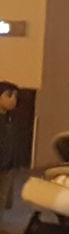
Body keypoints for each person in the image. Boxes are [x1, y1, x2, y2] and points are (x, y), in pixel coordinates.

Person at [0, 80, 25, 218]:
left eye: (16, 96)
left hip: (7, 166)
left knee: (2, 200)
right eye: (9, 95)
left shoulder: (10, 118)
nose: (13, 100)